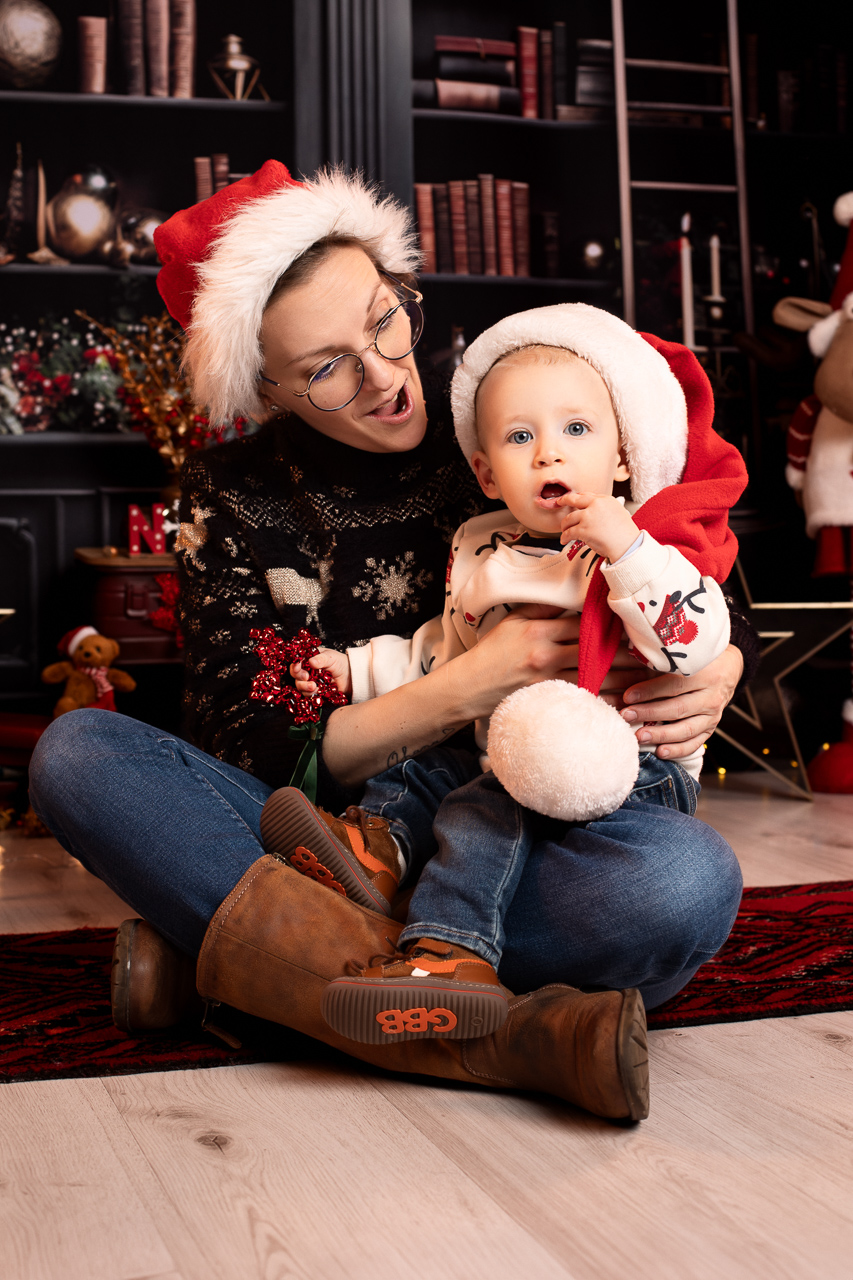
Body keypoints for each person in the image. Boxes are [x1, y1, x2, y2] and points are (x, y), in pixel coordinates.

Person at [28, 160, 756, 1124]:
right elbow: (243, 743)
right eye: (327, 367)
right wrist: (470, 684)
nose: (382, 375)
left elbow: (682, 539)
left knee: (681, 883)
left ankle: (260, 972)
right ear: (271, 390)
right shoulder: (230, 494)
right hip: (340, 831)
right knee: (78, 754)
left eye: (383, 319)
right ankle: (501, 1033)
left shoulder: (505, 413)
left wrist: (726, 662)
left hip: (525, 825)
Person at [268, 304, 743, 1045]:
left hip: (631, 774)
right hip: (501, 754)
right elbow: (442, 651)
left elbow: (693, 640)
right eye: (521, 438)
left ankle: (450, 955)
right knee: (424, 769)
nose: (549, 456)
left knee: (484, 807)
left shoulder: (646, 543)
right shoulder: (482, 548)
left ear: (621, 456)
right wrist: (355, 670)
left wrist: (625, 551)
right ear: (487, 473)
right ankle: (373, 855)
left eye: (576, 431)